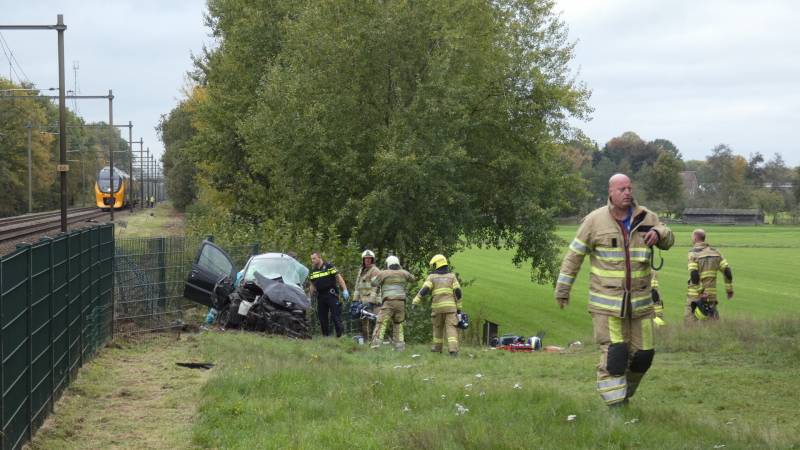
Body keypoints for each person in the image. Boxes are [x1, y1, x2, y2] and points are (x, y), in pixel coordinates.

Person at [555, 173, 674, 407]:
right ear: (610, 192)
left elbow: (669, 240)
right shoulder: (594, 221)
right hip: (607, 304)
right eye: (622, 189)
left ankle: (624, 394)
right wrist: (562, 289)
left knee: (644, 355)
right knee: (615, 355)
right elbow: (573, 256)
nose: (627, 192)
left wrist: (660, 233)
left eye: (629, 188)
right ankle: (616, 407)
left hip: (641, 305)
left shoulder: (648, 217)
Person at [412, 254, 463, 356]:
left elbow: (424, 290)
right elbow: (458, 292)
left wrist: (415, 301)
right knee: (451, 329)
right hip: (450, 308)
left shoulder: (432, 277)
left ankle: (437, 349)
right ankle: (453, 351)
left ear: (437, 264)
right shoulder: (452, 277)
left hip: (437, 308)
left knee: (437, 328)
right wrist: (459, 309)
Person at [686, 229, 733, 322]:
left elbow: (694, 274)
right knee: (712, 322)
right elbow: (727, 271)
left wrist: (700, 292)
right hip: (711, 295)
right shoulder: (716, 252)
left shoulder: (693, 253)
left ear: (695, 238)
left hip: (696, 296)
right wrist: (729, 290)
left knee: (690, 323)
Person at [370, 255, 415, 351]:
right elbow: (413, 278)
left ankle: (375, 345)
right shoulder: (403, 273)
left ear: (388, 264)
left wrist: (379, 274)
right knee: (398, 323)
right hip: (401, 303)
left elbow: (373, 283)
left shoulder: (384, 273)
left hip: (388, 302)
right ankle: (400, 347)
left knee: (381, 322)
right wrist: (402, 272)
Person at [308, 251, 349, 337]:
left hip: (331, 294)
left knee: (335, 316)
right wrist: (309, 297)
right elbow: (312, 285)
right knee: (322, 317)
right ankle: (325, 337)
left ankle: (340, 336)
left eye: (314, 258)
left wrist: (345, 290)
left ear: (319, 257)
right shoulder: (313, 271)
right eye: (311, 259)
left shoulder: (329, 266)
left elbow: (339, 278)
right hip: (321, 296)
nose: (313, 260)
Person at [352, 250, 381, 342]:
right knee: (364, 321)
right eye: (366, 259)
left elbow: (375, 287)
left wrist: (370, 300)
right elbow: (357, 286)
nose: (367, 260)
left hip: (375, 301)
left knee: (377, 320)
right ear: (363, 260)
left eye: (369, 259)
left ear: (372, 260)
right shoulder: (361, 271)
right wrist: (355, 300)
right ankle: (365, 341)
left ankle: (376, 342)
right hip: (363, 299)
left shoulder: (375, 271)